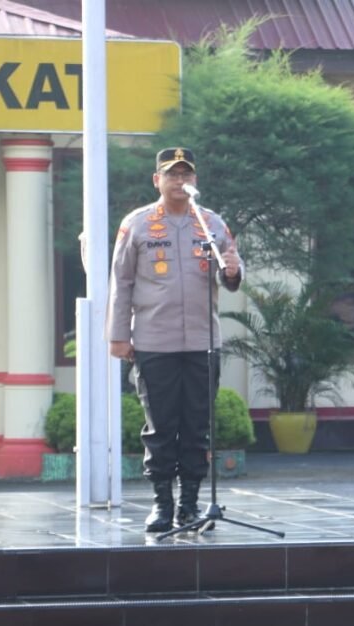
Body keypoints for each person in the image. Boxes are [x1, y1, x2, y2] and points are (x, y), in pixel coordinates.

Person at [106, 147, 244, 533]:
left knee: (198, 425)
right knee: (161, 426)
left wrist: (233, 271)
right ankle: (162, 504)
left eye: (186, 174)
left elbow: (230, 273)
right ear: (157, 180)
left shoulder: (211, 223)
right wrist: (119, 336)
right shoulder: (137, 224)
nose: (180, 181)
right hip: (154, 340)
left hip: (203, 341)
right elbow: (122, 282)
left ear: (195, 181)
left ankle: (190, 504)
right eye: (172, 174)